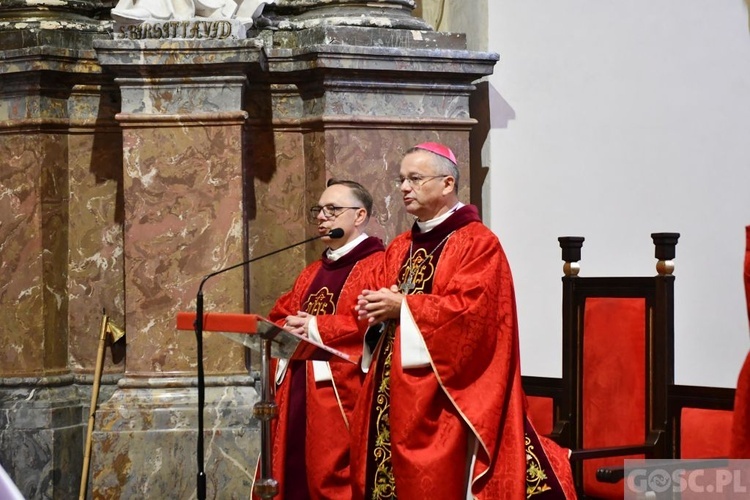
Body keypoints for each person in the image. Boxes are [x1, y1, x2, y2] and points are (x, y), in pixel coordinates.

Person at [351, 143, 576, 499]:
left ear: (447, 184)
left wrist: (404, 307)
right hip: (394, 390)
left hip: (447, 393)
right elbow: (389, 304)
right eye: (401, 180)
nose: (404, 188)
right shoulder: (399, 246)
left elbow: (474, 315)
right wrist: (376, 310)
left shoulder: (477, 243)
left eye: (415, 178)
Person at [254, 179, 385, 500]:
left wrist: (316, 327)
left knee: (329, 473)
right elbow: (278, 315)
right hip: (297, 388)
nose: (322, 217)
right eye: (319, 210)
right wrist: (288, 326)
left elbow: (372, 327)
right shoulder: (312, 271)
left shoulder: (377, 265)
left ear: (359, 216)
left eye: (333, 209)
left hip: (339, 394)